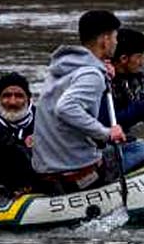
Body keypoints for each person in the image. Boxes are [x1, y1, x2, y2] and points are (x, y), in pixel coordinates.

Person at [31, 10, 127, 194]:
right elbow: (66, 108)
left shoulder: (62, 67)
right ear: (104, 40)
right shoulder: (91, 74)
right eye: (115, 37)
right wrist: (107, 133)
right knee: (142, 150)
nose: (116, 42)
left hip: (45, 168)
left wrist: (101, 72)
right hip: (73, 170)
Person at [0, 72, 35, 147]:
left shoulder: (42, 122)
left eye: (19, 96)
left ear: (28, 99)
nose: (13, 102)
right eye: (7, 96)